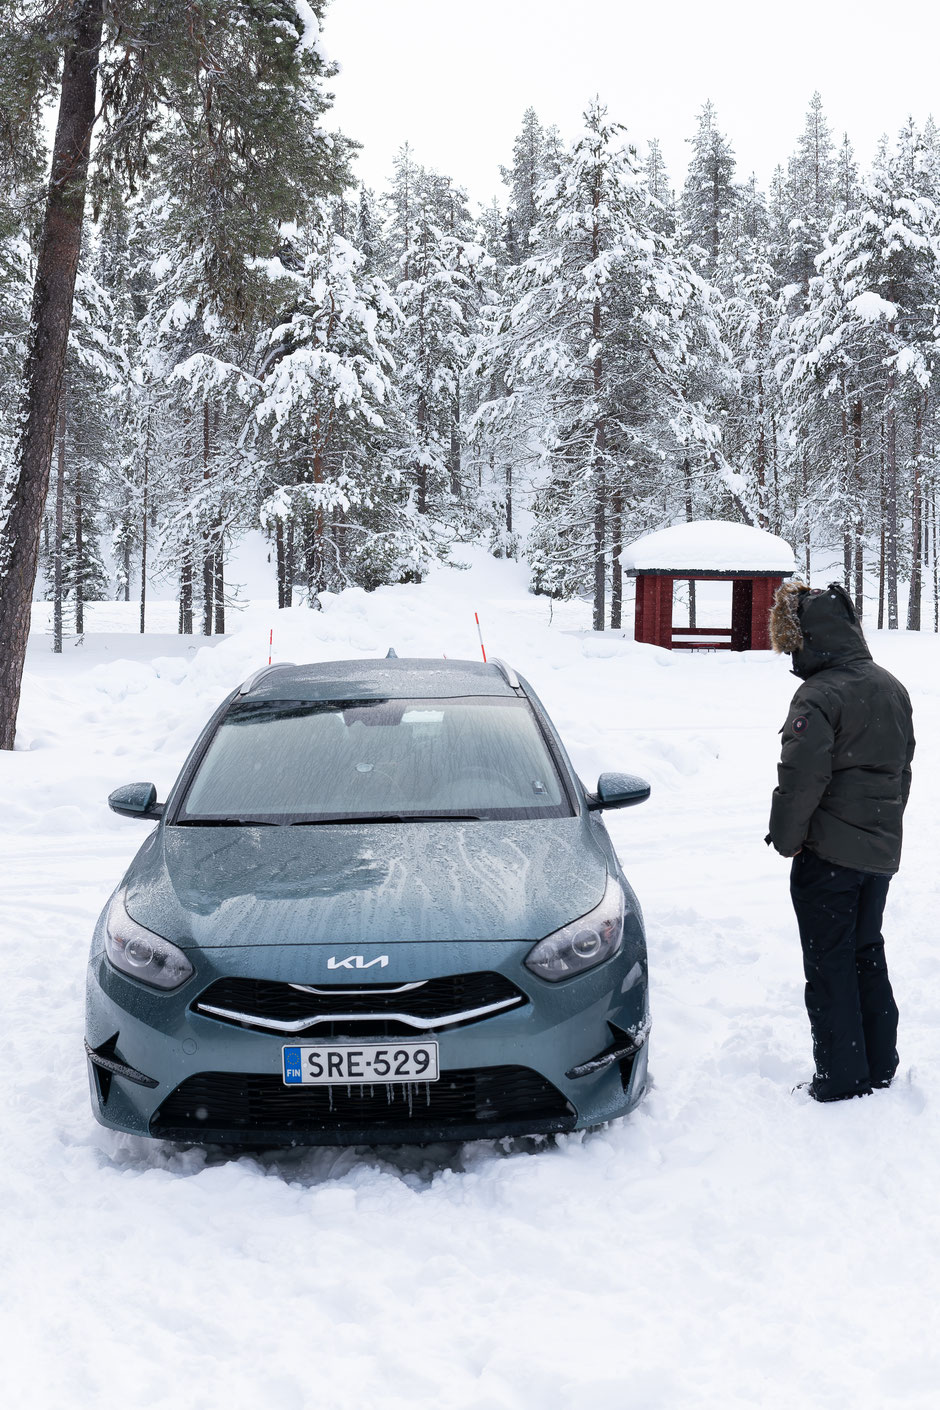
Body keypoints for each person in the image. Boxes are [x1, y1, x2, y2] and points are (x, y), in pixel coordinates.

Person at [767, 581, 915, 1102]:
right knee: (866, 952)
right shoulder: (891, 686)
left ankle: (841, 1077)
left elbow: (801, 777)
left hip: (828, 856)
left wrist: (788, 840)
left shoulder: (820, 694)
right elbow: (902, 772)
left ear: (805, 636)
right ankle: (878, 1064)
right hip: (878, 853)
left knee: (830, 962)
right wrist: (881, 832)